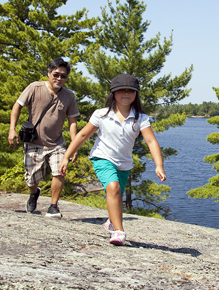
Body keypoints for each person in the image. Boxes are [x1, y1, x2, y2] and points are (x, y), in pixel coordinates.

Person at [59, 74, 167, 245]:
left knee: (117, 194)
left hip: (124, 164)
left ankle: (111, 222)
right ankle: (119, 231)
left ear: (136, 94)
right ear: (113, 93)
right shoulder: (101, 114)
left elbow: (151, 141)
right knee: (113, 187)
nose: (126, 94)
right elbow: (83, 134)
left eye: (130, 91)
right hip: (102, 157)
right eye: (121, 90)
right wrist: (66, 156)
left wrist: (159, 165)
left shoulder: (141, 118)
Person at [8, 58, 80, 218]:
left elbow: (72, 122)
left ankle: (53, 206)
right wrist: (12, 129)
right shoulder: (35, 88)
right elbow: (17, 106)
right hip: (34, 142)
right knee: (31, 179)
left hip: (57, 143)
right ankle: (34, 193)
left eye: (63, 76)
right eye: (56, 75)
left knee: (59, 172)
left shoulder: (69, 96)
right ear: (48, 73)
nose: (59, 79)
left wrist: (74, 145)